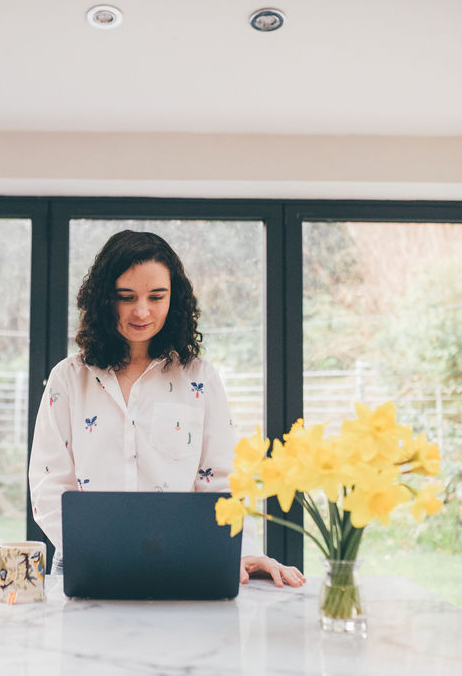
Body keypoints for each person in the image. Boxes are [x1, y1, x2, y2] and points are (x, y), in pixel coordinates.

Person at [28, 230, 305, 588]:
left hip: (183, 561)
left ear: (174, 299)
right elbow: (49, 483)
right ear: (102, 300)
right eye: (126, 297)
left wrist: (239, 551)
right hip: (86, 563)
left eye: (156, 296)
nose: (142, 311)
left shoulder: (199, 377)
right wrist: (101, 550)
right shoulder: (67, 378)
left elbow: (220, 479)